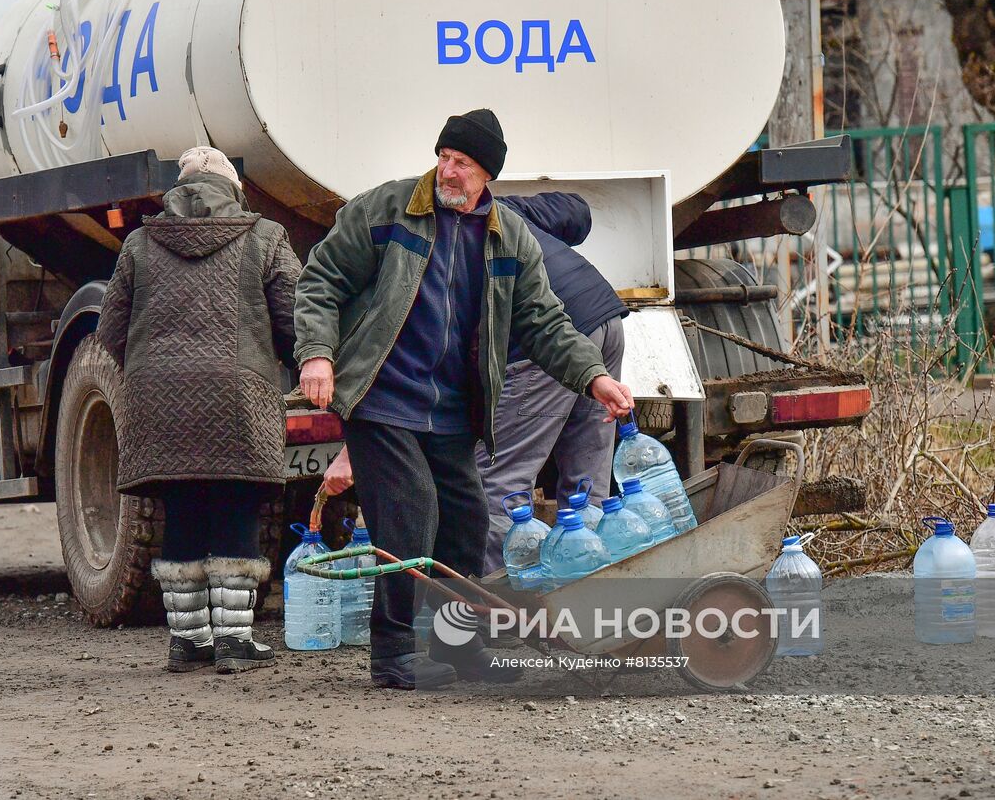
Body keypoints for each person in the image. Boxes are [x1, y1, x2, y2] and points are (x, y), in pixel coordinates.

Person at [295, 108, 634, 689]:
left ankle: (458, 645)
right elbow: (322, 278)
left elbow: (543, 319)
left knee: (468, 520)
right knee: (408, 510)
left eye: (464, 164)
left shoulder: (508, 235)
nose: (449, 172)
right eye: (444, 158)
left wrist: (593, 377)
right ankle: (393, 653)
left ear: (488, 176)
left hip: (453, 407)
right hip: (381, 396)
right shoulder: (386, 209)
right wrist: (317, 353)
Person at [96, 146, 301, 675]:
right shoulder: (264, 237)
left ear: (178, 189)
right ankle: (234, 640)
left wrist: (154, 373)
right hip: (237, 396)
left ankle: (188, 642)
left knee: (181, 504)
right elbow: (295, 320)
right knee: (235, 502)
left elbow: (109, 332)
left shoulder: (139, 244)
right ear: (233, 188)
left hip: (158, 400)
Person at [477, 192, 629, 574]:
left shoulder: (439, 235)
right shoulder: (503, 208)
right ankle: (592, 585)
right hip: (603, 316)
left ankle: (502, 606)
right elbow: (576, 210)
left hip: (547, 341)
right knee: (588, 485)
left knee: (497, 483)